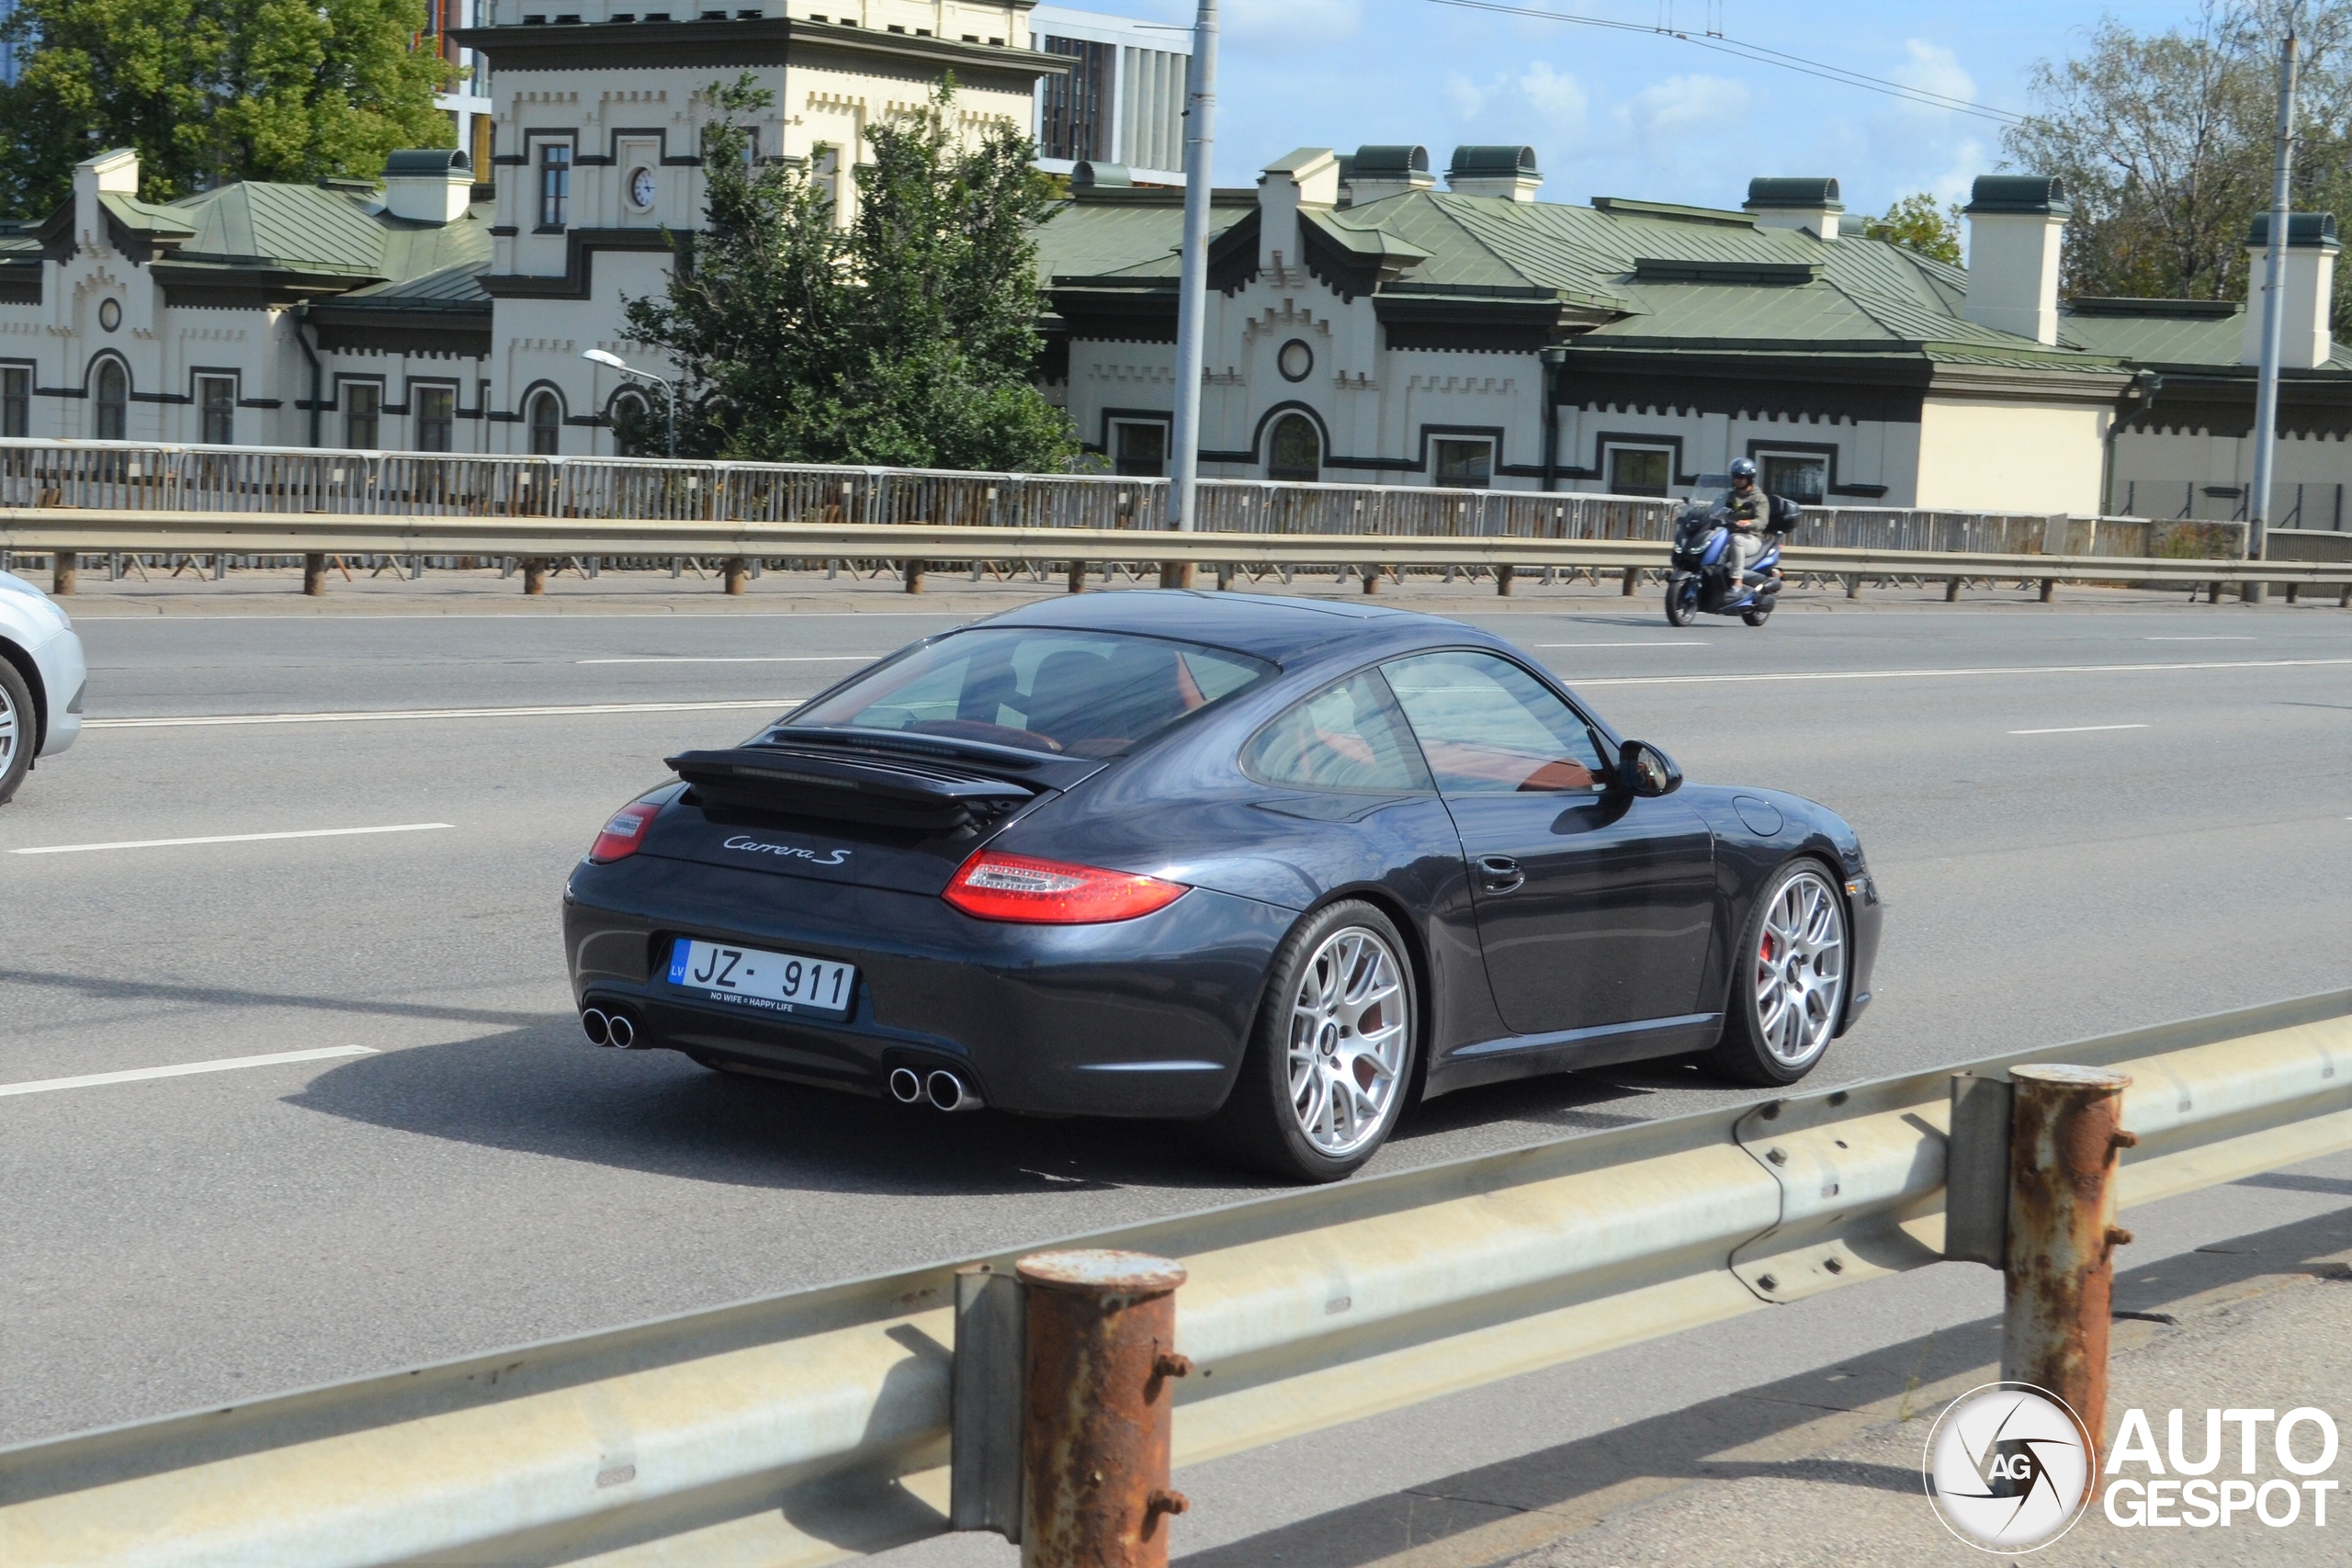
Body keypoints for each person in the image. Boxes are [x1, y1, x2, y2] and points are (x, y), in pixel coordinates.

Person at [1717, 457, 1770, 593]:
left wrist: (1749, 523)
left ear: (1749, 478)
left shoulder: (1759, 498)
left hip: (1751, 538)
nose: (1737, 480)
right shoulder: (1730, 496)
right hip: (1728, 534)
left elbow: (1762, 521)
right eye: (1735, 476)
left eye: (1741, 477)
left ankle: (1737, 583)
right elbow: (1714, 509)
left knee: (1737, 539)